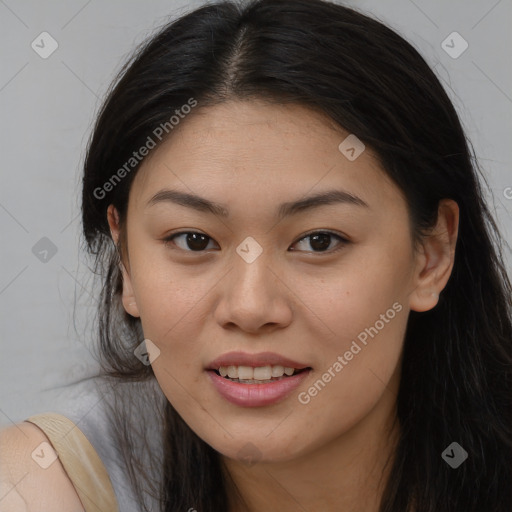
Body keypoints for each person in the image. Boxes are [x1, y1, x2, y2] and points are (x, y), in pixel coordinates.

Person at [1, 0, 511, 510]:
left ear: (431, 256)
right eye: (193, 240)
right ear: (127, 262)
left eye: (319, 241)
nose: (249, 308)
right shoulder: (41, 486)